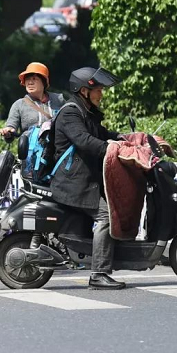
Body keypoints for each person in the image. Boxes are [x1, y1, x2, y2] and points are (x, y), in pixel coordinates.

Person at [50, 67, 124, 290]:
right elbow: (83, 140)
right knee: (106, 217)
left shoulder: (86, 112)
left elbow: (100, 134)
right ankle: (98, 272)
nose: (101, 94)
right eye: (98, 90)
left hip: (85, 180)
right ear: (84, 90)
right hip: (73, 183)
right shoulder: (70, 113)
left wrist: (123, 138)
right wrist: (109, 149)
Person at [0, 62, 65, 138]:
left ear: (43, 82)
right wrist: (8, 132)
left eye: (34, 79)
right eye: (27, 79)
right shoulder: (19, 104)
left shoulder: (58, 100)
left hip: (58, 147)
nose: (30, 82)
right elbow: (11, 127)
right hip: (31, 148)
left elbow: (71, 122)